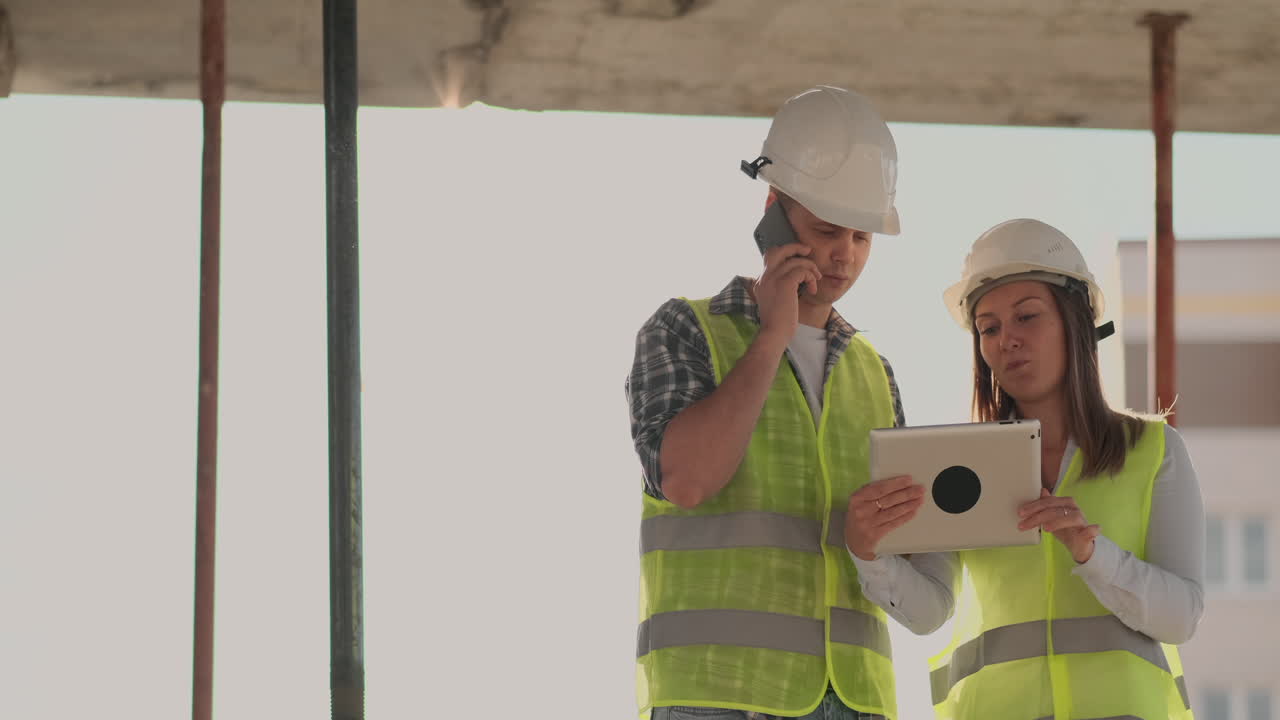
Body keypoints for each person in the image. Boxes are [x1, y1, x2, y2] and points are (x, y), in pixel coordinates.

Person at [844, 218, 1205, 719]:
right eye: (989, 328)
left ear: (1076, 322)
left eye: (1027, 317)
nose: (1005, 340)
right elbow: (929, 612)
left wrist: (1091, 553)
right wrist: (869, 555)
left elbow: (1182, 616)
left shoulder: (1153, 450)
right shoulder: (956, 463)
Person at [625, 86, 908, 720]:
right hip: (719, 697)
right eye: (827, 229)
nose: (845, 255)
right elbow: (689, 479)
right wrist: (773, 334)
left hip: (858, 701)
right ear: (774, 211)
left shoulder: (873, 372)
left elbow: (902, 549)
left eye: (862, 236)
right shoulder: (684, 330)